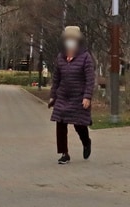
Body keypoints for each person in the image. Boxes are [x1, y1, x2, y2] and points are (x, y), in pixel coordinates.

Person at [46, 25, 95, 165]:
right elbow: (56, 78)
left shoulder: (85, 57)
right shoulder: (60, 57)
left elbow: (90, 79)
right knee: (60, 124)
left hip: (78, 96)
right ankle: (64, 153)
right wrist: (53, 95)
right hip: (63, 96)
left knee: (79, 125)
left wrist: (87, 96)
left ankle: (86, 142)